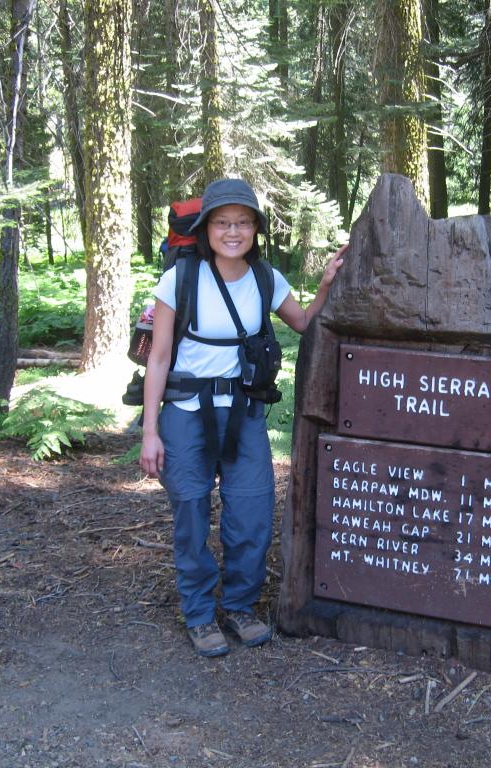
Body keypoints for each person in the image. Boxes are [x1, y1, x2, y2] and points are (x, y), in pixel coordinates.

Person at [139, 178, 345, 657]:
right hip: (187, 414)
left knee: (251, 512)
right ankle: (198, 613)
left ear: (256, 229)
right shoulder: (181, 278)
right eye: (223, 222)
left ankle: (239, 606)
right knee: (191, 512)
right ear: (206, 228)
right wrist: (150, 431)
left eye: (243, 222)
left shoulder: (266, 278)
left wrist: (328, 284)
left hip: (245, 412)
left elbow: (305, 323)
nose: (233, 231)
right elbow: (160, 355)